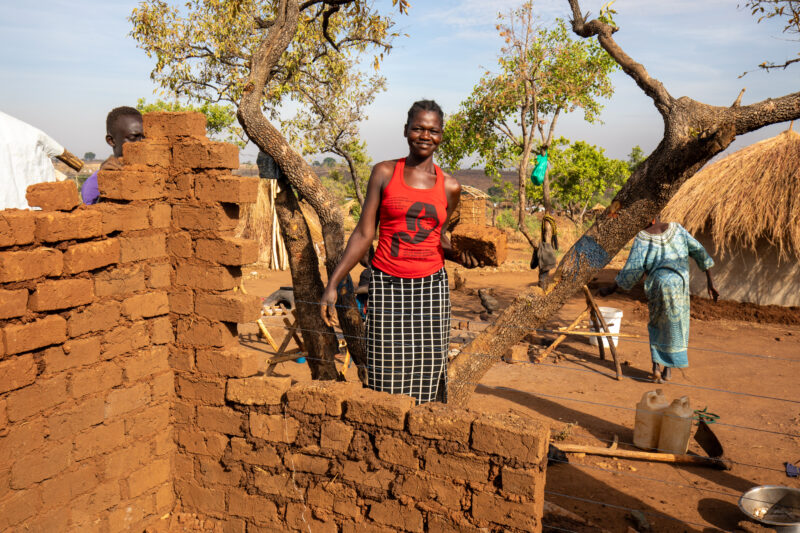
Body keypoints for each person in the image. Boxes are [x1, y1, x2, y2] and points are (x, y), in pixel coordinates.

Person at [320, 99, 474, 404]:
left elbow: (439, 238)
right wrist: (333, 284)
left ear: (441, 136)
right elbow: (364, 233)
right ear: (406, 130)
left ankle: (420, 429)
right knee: (384, 372)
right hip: (387, 284)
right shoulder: (384, 173)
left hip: (431, 288)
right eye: (418, 128)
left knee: (429, 372)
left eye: (433, 130)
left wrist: (462, 256)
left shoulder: (450, 187)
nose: (425, 136)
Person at [599, 217, 719, 383]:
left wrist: (611, 289)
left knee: (657, 325)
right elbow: (700, 252)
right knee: (675, 325)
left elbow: (631, 271)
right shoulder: (677, 229)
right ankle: (667, 370)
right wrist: (710, 282)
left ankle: (656, 367)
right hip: (679, 285)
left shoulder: (642, 238)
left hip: (658, 285)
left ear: (649, 219)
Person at [81, 107, 144, 205]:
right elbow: (96, 213)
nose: (141, 143)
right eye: (133, 137)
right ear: (111, 141)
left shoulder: (155, 173)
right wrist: (108, 185)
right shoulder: (94, 184)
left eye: (144, 137)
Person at [530, 211, 559, 289]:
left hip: (546, 251)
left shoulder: (547, 224)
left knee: (543, 277)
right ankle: (543, 287)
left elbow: (547, 237)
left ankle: (542, 288)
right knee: (544, 275)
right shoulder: (550, 224)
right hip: (547, 250)